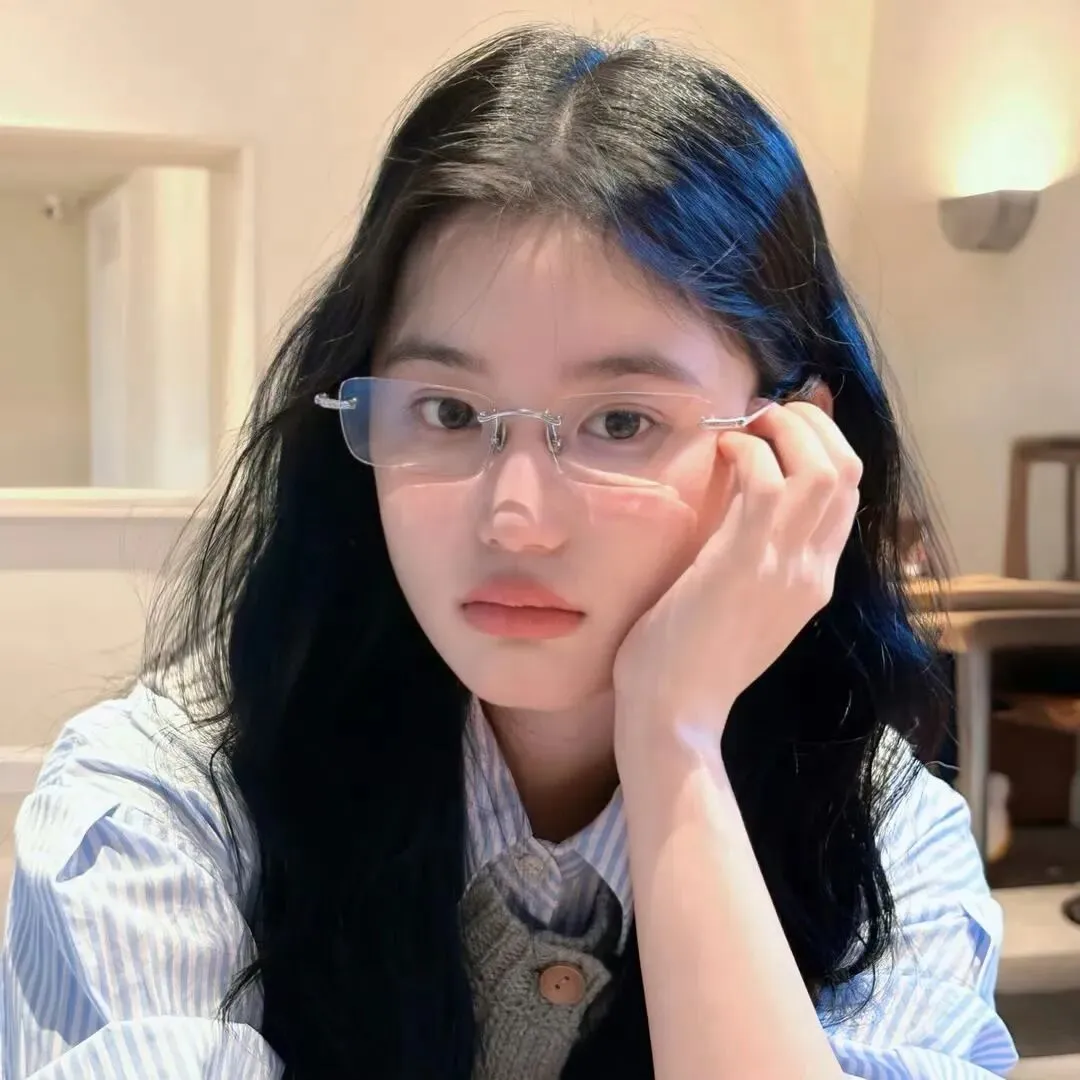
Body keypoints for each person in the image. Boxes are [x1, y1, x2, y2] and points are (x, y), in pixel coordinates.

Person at [1, 24, 1018, 1080]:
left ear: (795, 447)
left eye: (621, 422)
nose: (515, 518)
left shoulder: (883, 833)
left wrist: (674, 743)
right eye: (447, 410)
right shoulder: (163, 800)